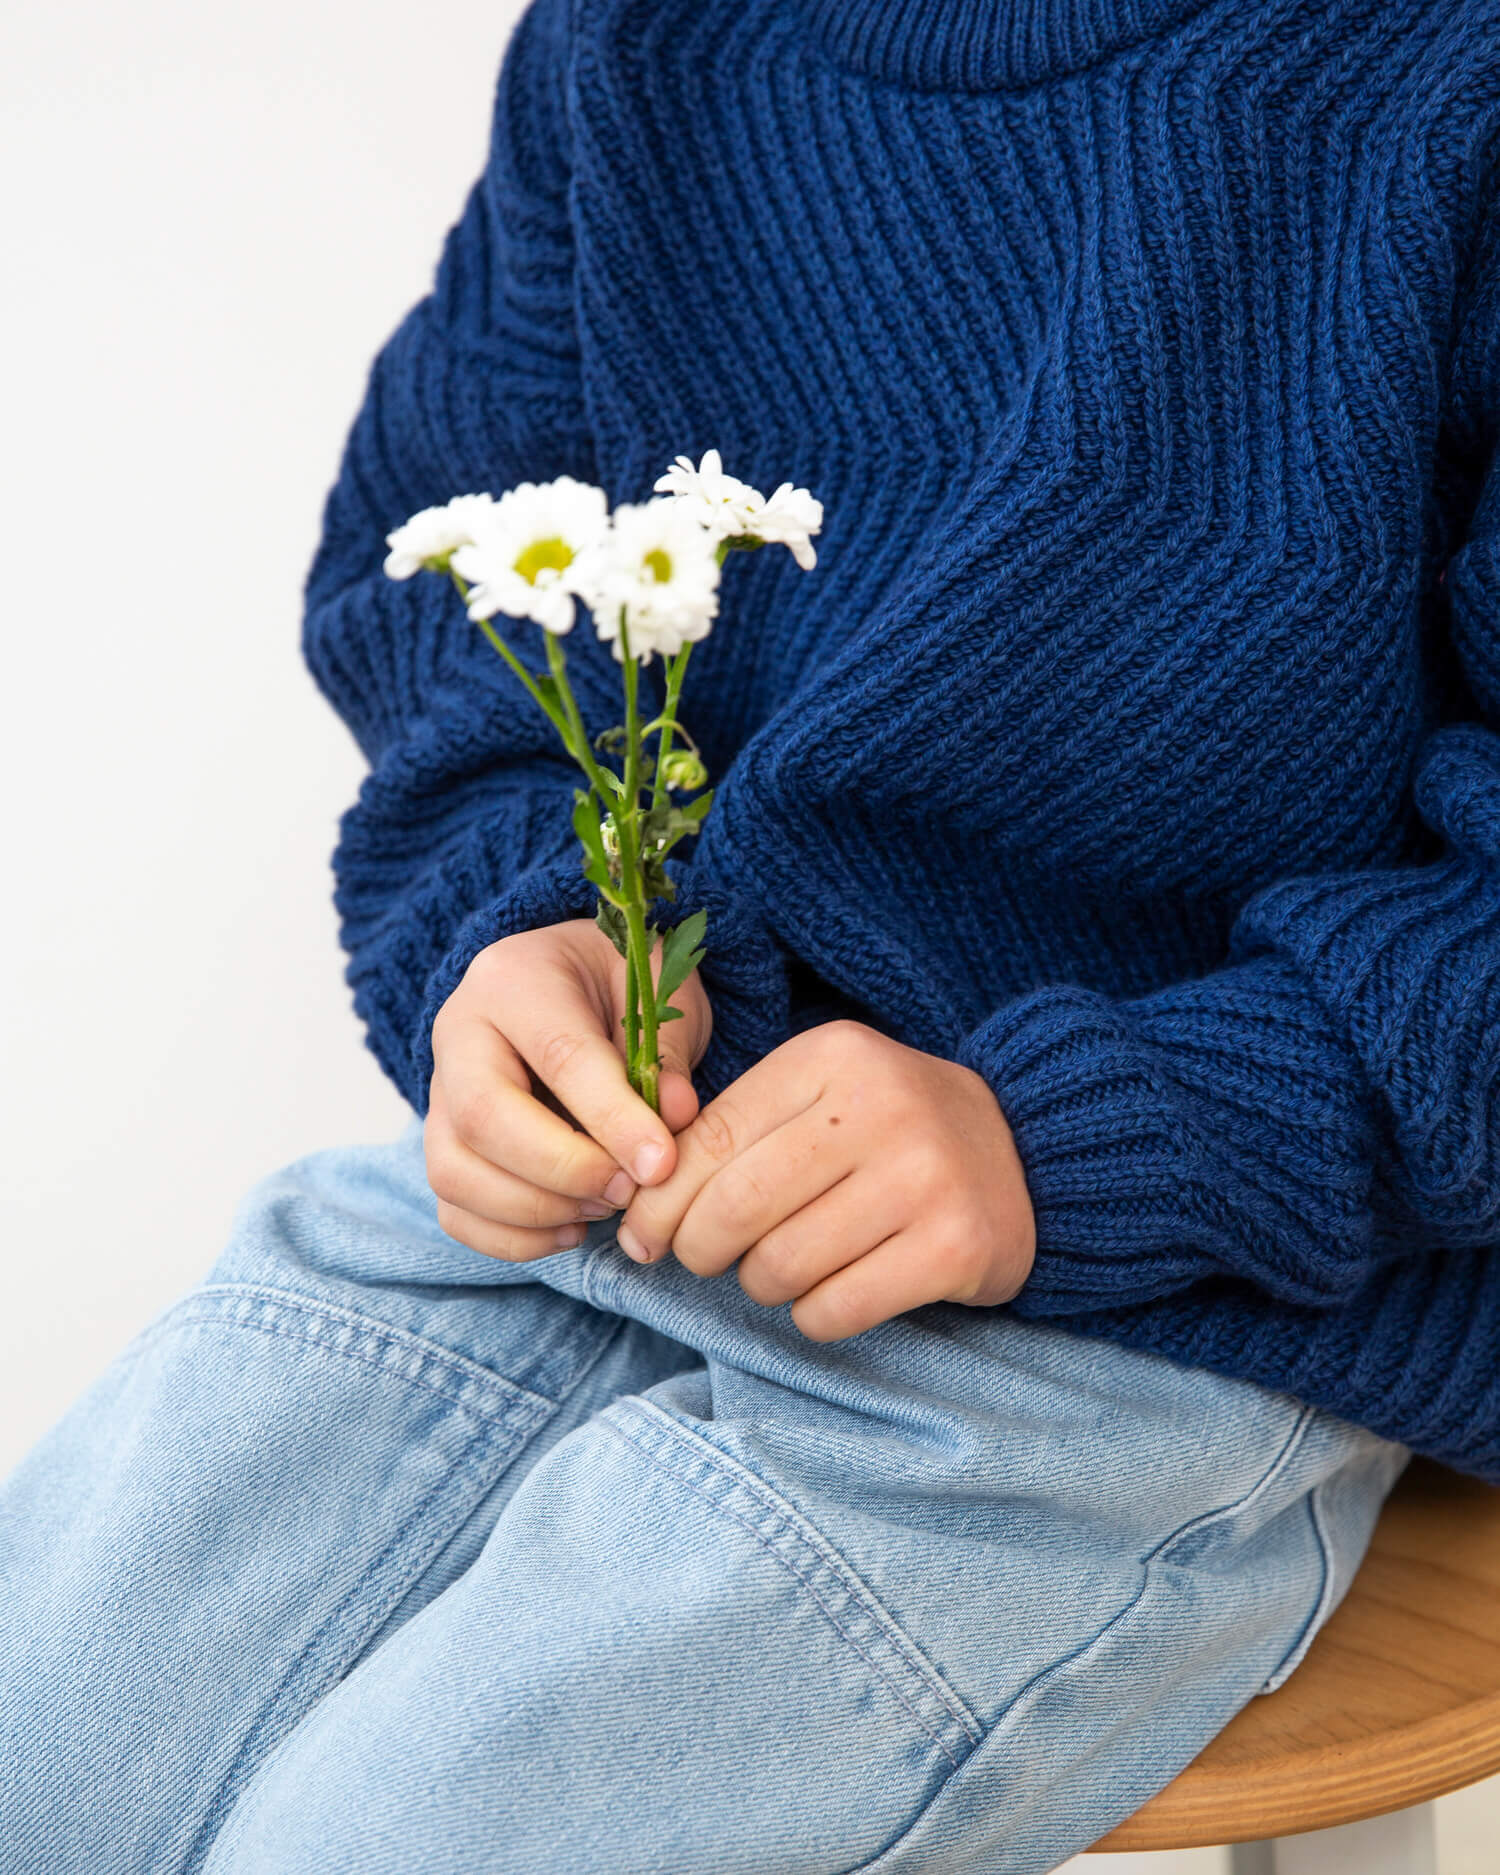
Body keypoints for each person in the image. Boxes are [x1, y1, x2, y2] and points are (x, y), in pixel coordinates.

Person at [4, 0, 1498, 1867]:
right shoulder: (642, 36)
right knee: (37, 1750)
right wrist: (519, 928)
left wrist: (1078, 1138)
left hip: (1193, 1286)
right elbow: (465, 553)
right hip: (615, 1179)